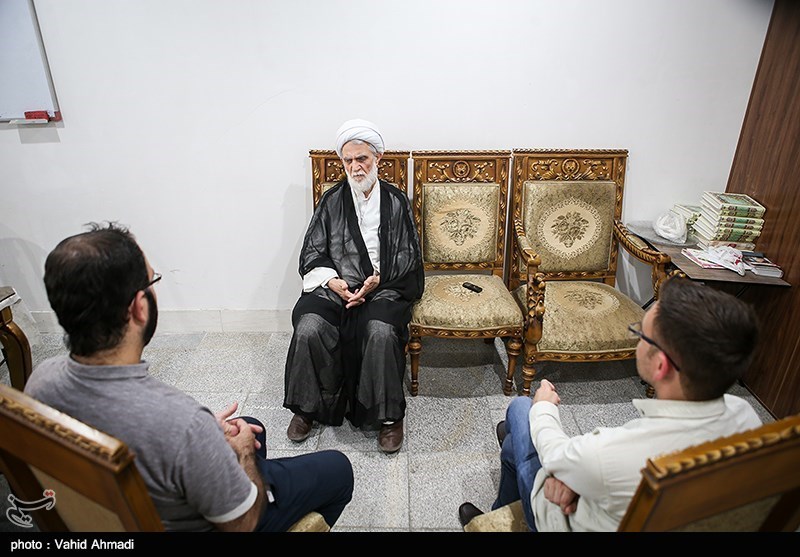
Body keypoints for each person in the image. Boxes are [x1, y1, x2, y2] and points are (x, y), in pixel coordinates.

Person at [25, 222, 354, 532]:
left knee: (252, 426)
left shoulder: (40, 381)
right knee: (337, 469)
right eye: (152, 282)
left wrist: (206, 434)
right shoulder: (181, 422)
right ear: (139, 307)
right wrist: (237, 451)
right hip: (224, 522)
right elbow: (242, 524)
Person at [458, 277, 762, 531]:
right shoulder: (746, 417)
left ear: (661, 366)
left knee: (522, 409)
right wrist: (580, 477)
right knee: (514, 445)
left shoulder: (613, 454)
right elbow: (589, 466)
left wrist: (545, 408)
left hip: (557, 519)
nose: (638, 339)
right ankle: (499, 502)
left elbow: (559, 456)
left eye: (641, 334)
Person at [283, 119, 424, 454]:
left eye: (362, 158)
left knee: (380, 331)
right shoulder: (332, 200)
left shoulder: (396, 201)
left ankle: (388, 417)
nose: (355, 166)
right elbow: (313, 251)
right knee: (309, 326)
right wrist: (332, 281)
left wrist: (377, 279)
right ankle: (307, 408)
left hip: (384, 285)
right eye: (348, 160)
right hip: (336, 287)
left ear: (377, 159)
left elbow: (408, 254)